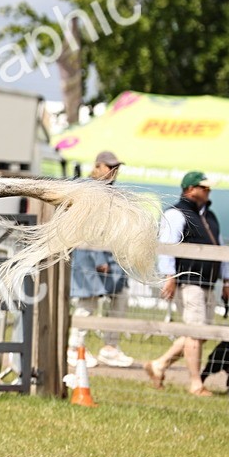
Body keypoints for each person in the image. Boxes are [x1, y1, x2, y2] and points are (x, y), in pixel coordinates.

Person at [143, 171, 229, 395]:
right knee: (194, 332)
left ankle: (159, 364)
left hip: (208, 281)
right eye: (204, 187)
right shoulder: (176, 214)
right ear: (191, 189)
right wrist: (169, 276)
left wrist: (227, 277)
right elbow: (167, 246)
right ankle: (195, 383)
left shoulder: (209, 216)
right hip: (189, 280)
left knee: (199, 332)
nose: (208, 191)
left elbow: (220, 248)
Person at [68, 151, 135, 368]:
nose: (114, 171)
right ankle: (75, 348)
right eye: (110, 166)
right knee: (87, 303)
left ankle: (110, 347)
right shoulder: (88, 190)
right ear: (98, 166)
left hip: (112, 257)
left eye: (116, 167)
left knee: (120, 297)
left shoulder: (112, 192)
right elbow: (88, 227)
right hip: (90, 256)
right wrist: (98, 257)